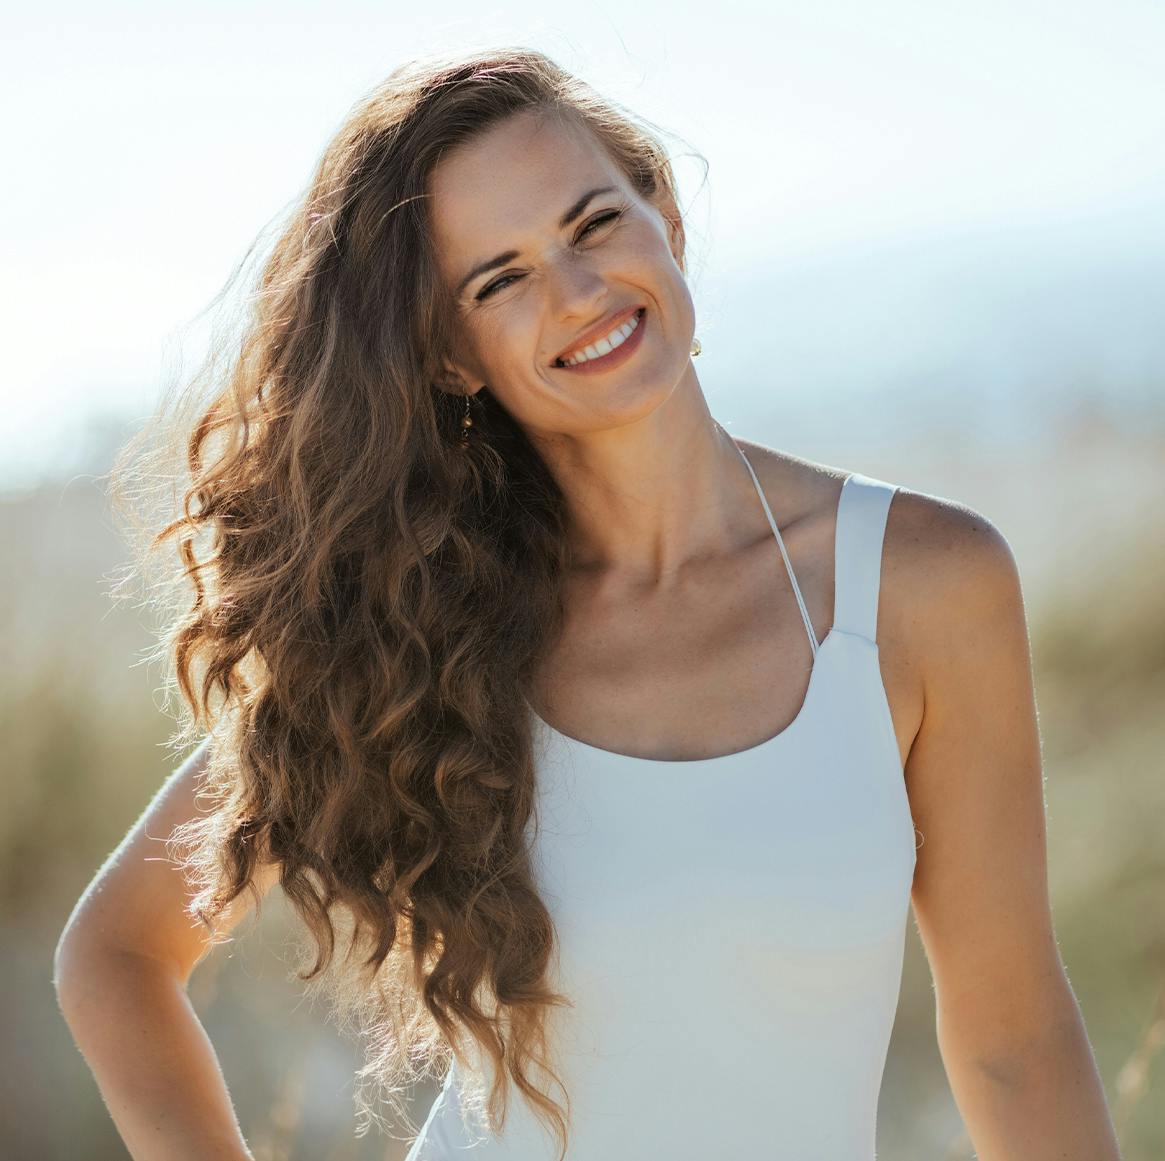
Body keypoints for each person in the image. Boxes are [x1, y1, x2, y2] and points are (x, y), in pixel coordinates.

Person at [53, 45, 1122, 1161]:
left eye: (594, 223)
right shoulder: (416, 629)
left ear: (661, 212)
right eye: (498, 279)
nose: (576, 293)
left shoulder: (920, 584)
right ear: (451, 356)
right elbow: (116, 957)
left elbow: (1013, 1038)